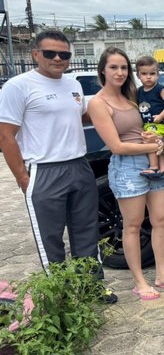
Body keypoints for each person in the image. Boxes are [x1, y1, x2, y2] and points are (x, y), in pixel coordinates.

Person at [0, 29, 118, 304]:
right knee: (50, 238)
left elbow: (85, 117)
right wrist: (23, 179)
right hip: (44, 169)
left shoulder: (72, 85)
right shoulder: (19, 86)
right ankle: (61, 295)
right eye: (50, 53)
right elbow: (6, 137)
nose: (57, 59)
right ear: (35, 54)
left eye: (64, 54)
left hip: (79, 165)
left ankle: (92, 288)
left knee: (87, 231)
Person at [88, 47, 164, 300]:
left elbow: (159, 125)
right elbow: (116, 146)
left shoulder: (134, 96)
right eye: (113, 67)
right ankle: (139, 281)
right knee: (132, 225)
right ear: (103, 70)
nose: (120, 72)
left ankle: (162, 274)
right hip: (128, 167)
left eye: (123, 67)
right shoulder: (98, 103)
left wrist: (161, 142)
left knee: (161, 220)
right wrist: (153, 146)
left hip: (154, 159)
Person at [135, 56, 164, 179]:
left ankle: (153, 167)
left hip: (162, 123)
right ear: (138, 75)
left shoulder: (159, 89)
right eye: (144, 74)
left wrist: (161, 116)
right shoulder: (139, 91)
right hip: (149, 124)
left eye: (152, 73)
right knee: (157, 143)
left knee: (149, 141)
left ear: (158, 75)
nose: (148, 77)